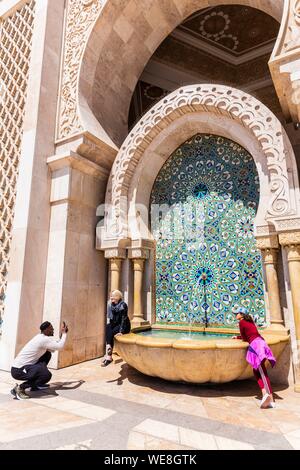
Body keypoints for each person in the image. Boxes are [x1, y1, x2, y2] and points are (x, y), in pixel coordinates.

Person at [10, 321, 68, 400]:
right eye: (51, 328)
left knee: (47, 354)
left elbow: (56, 345)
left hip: (25, 367)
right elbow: (60, 346)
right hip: (18, 370)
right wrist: (64, 333)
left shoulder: (41, 337)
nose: (53, 330)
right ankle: (19, 388)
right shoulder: (43, 340)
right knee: (46, 375)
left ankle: (35, 385)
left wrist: (62, 334)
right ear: (46, 330)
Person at [232, 306, 276, 409]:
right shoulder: (250, 321)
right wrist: (237, 337)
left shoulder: (241, 322)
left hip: (257, 345)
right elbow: (249, 335)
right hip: (260, 343)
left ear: (241, 315)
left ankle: (271, 398)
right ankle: (265, 394)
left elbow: (244, 338)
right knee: (257, 371)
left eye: (237, 313)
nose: (236, 315)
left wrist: (238, 337)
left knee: (261, 371)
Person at [101, 290, 131, 367]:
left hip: (124, 325)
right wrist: (111, 326)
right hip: (115, 323)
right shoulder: (111, 304)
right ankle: (109, 349)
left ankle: (108, 356)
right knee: (108, 327)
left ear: (117, 297)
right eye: (111, 296)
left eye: (113, 296)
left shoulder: (123, 305)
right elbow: (111, 319)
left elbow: (124, 319)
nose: (111, 298)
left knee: (112, 331)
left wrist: (121, 331)